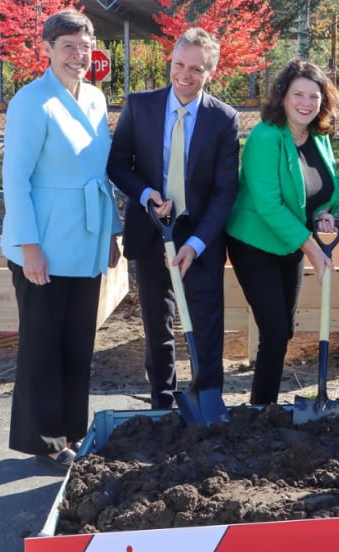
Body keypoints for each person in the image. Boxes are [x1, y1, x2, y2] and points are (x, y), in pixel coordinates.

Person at [1, 9, 122, 471]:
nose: (78, 55)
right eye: (68, 46)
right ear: (47, 49)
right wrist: (29, 245)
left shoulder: (94, 98)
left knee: (77, 342)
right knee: (43, 346)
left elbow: (101, 173)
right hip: (45, 246)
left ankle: (72, 431)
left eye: (85, 46)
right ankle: (44, 442)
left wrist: (111, 231)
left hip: (87, 239)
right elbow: (16, 178)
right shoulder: (32, 102)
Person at [108, 28, 240, 410]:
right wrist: (147, 195)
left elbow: (224, 191)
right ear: (172, 62)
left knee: (206, 320)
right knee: (156, 321)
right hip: (152, 230)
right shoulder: (140, 105)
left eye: (196, 69)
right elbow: (119, 164)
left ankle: (206, 396)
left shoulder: (224, 119)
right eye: (179, 64)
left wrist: (196, 245)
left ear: (210, 73)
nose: (185, 74)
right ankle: (162, 400)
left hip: (200, 236)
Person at [224, 59, 339, 405]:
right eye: (298, 95)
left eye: (314, 96)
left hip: (291, 243)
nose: (306, 103)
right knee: (274, 331)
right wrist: (312, 248)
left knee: (284, 330)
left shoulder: (319, 136)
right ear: (283, 97)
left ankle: (266, 405)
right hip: (256, 244)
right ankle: (262, 409)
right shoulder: (265, 136)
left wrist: (323, 213)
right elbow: (268, 204)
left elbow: (326, 190)